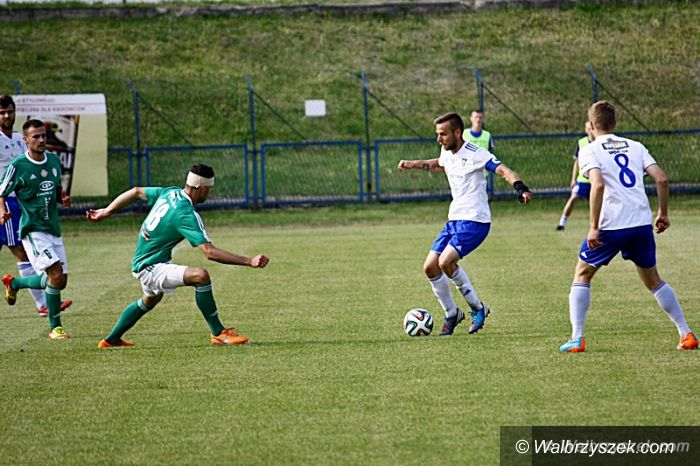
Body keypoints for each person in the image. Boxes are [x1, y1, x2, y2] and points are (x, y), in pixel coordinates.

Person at [560, 101, 697, 353]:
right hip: (641, 223)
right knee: (653, 279)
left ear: (591, 126)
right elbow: (662, 179)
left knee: (582, 274)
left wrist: (593, 227)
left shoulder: (590, 150)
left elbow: (598, 184)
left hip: (612, 225)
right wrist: (663, 213)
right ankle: (686, 333)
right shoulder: (636, 146)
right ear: (615, 123)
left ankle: (577, 338)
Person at [86, 163, 269, 348]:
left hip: (146, 261)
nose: (209, 193)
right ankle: (218, 333)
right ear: (202, 188)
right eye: (209, 189)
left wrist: (106, 211)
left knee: (149, 300)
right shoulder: (185, 213)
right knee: (201, 276)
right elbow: (210, 252)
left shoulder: (170, 192)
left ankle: (111, 340)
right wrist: (249, 261)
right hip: (150, 266)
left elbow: (135, 191)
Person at [398, 112, 532, 336]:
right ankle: (452, 313)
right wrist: (413, 164)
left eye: (443, 134)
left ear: (457, 133)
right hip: (454, 220)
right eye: (438, 134)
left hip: (475, 220)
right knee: (430, 267)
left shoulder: (476, 153)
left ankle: (478, 308)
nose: (439, 139)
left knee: (446, 262)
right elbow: (441, 164)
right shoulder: (446, 152)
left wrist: (521, 188)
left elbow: (503, 170)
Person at [0, 119, 72, 340]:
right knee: (55, 275)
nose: (41, 140)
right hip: (32, 230)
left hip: (53, 227)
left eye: (43, 136)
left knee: (60, 280)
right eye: (36, 137)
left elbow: (56, 186)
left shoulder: (53, 160)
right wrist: (2, 210)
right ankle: (55, 327)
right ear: (25, 140)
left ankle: (15, 283)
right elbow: (1, 191)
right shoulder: (18, 166)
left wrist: (63, 197)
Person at [556, 122, 594, 231]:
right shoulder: (582, 142)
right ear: (586, 130)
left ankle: (598, 225)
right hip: (583, 179)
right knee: (573, 198)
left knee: (597, 203)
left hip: (595, 180)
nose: (590, 130)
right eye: (588, 128)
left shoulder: (599, 142)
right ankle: (562, 223)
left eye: (591, 128)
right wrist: (573, 178)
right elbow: (577, 162)